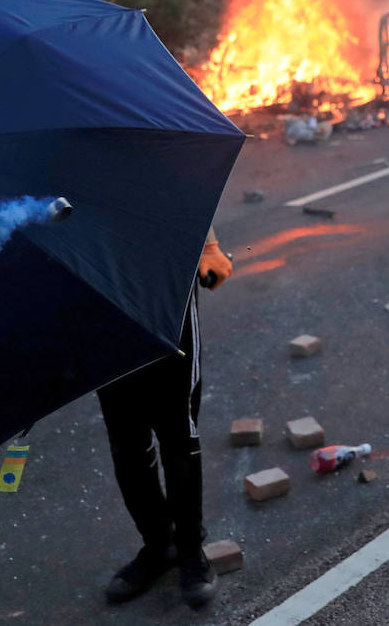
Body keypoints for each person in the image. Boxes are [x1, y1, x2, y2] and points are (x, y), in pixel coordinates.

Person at [96, 228, 233, 608]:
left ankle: (190, 549)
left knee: (178, 435)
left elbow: (179, 179)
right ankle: (159, 545)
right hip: (101, 304)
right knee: (126, 442)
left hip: (166, 298)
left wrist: (207, 245)